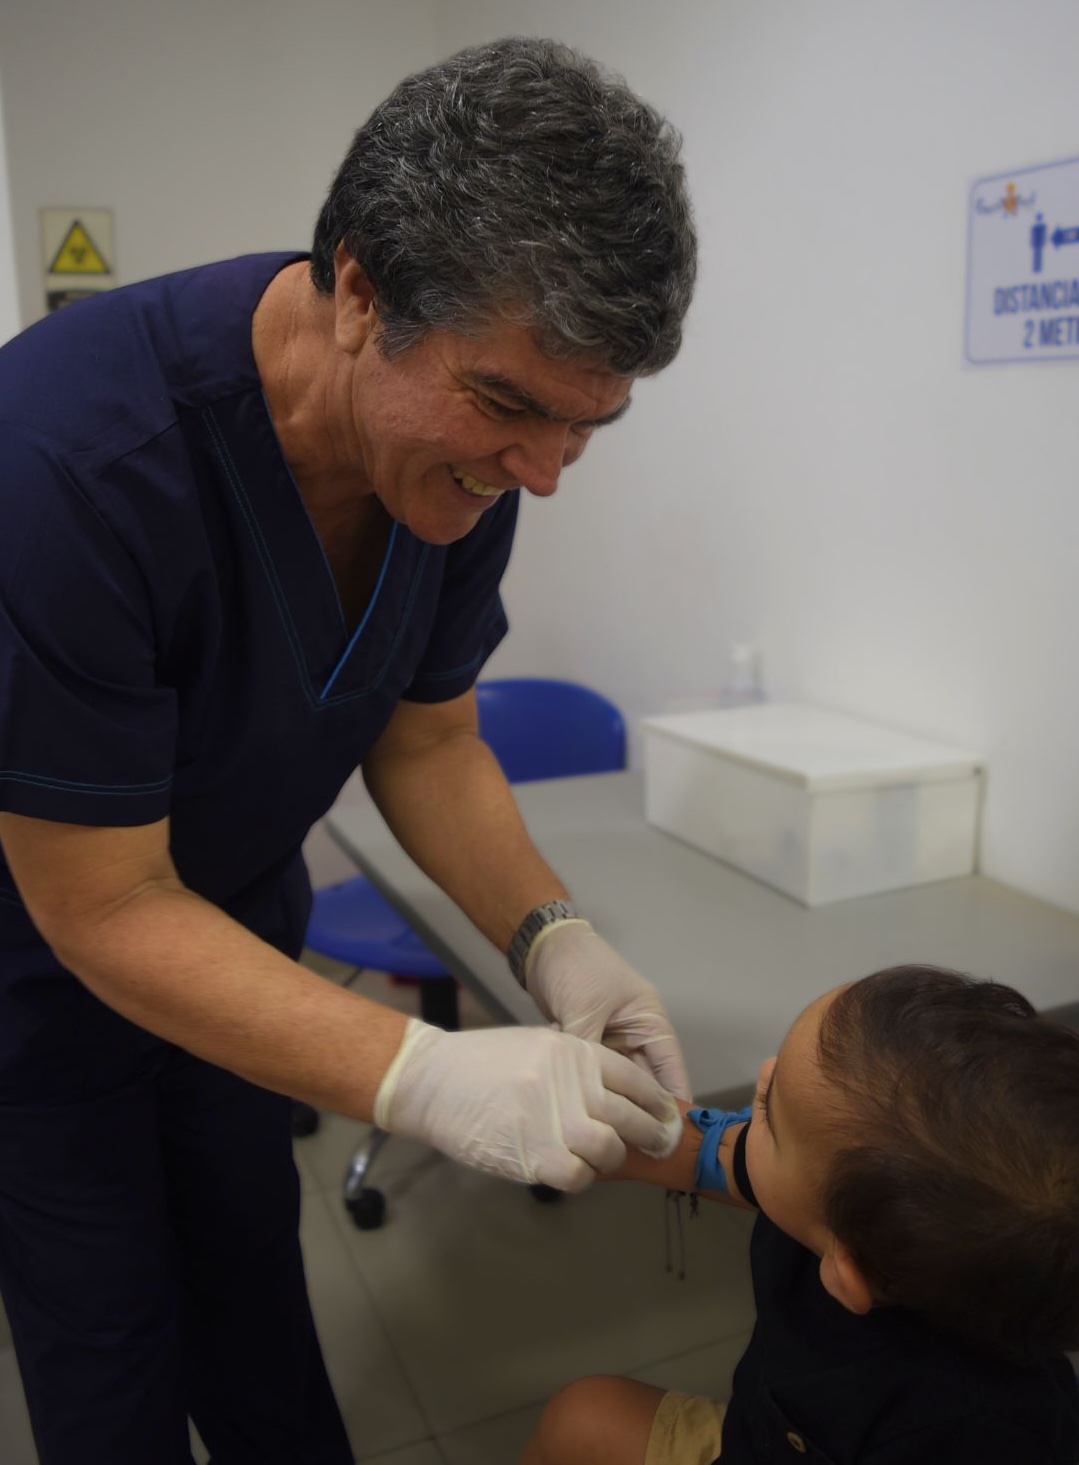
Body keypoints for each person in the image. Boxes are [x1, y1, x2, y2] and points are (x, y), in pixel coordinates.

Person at [0, 38, 697, 1465]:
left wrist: (553, 935)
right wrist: (418, 1074)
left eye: (587, 427)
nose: (544, 474)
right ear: (358, 289)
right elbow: (104, 905)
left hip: (241, 935)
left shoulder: (464, 461)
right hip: (42, 995)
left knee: (256, 1297)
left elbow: (430, 738)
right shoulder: (65, 461)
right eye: (510, 407)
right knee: (109, 1355)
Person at [521, 965, 1079, 1465]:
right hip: (764, 1434)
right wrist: (576, 1107)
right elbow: (701, 1151)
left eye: (768, 1112)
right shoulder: (875, 1224)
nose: (762, 1074)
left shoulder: (987, 1435)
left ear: (848, 1271)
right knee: (582, 1416)